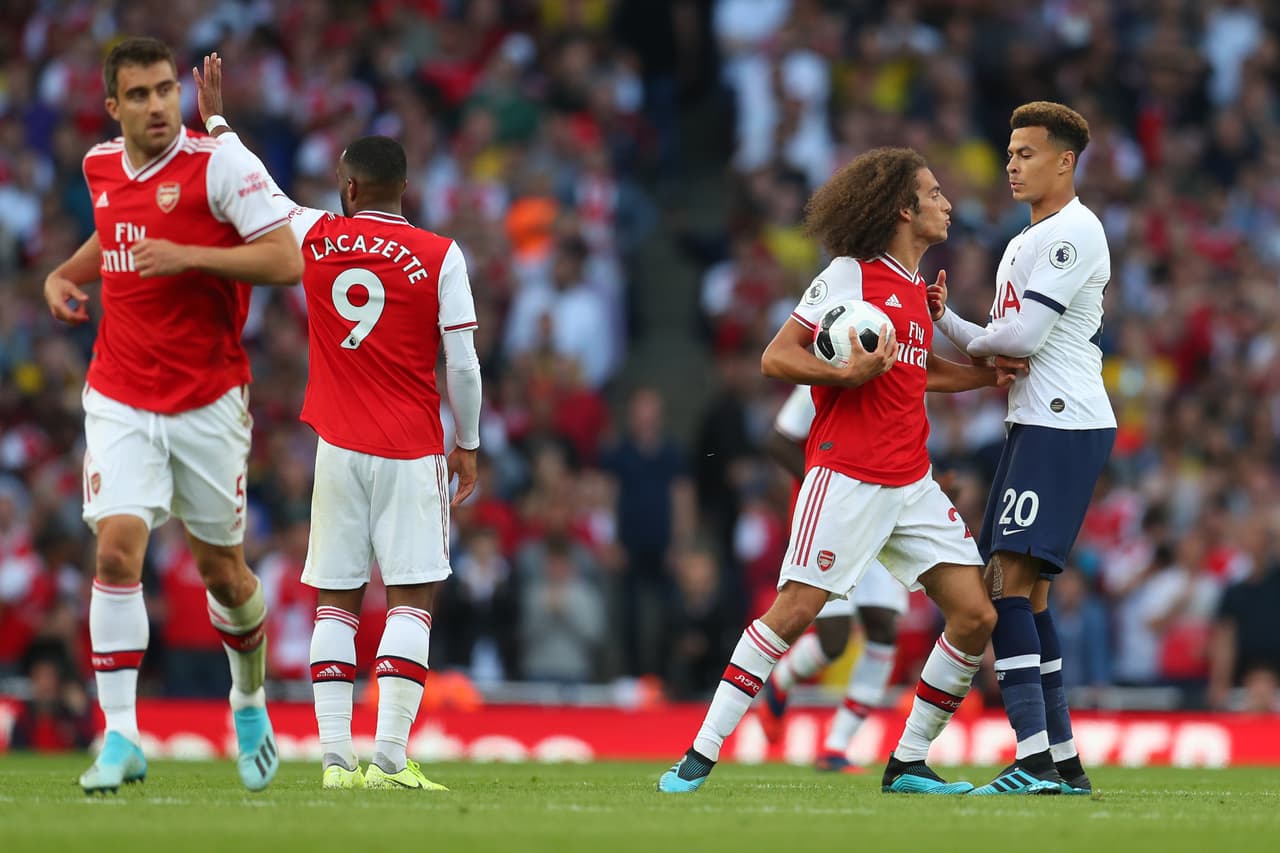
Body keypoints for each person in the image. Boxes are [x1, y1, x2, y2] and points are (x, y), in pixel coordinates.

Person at [657, 147, 1010, 795]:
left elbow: (918, 371)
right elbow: (775, 356)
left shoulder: (911, 289)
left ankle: (906, 761)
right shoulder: (850, 275)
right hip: (845, 474)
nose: (946, 204)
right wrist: (841, 372)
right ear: (904, 209)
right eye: (933, 194)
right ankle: (698, 754)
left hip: (912, 482)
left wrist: (991, 375)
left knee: (975, 615)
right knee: (794, 612)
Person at [195, 54, 481, 790]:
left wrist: (217, 118)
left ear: (350, 187)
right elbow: (465, 366)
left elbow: (251, 178)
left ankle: (331, 759)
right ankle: (388, 758)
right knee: (411, 596)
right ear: (405, 189)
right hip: (413, 446)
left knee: (337, 598)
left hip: (337, 447)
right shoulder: (440, 254)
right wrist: (470, 445)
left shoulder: (316, 232)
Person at [42, 37, 303, 794]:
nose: (159, 105)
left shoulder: (218, 165)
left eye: (167, 90)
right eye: (143, 94)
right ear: (113, 104)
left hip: (208, 400)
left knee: (224, 574)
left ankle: (248, 698)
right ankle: (120, 734)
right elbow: (114, 233)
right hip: (120, 393)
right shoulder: (99, 167)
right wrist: (64, 271)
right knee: (118, 552)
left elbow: (286, 259)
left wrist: (190, 256)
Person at [930, 101, 1116, 795]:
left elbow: (1021, 340)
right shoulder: (1024, 239)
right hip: (1035, 421)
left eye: (1027, 153)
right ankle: (1062, 760)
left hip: (1060, 422)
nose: (1012, 163)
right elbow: (1002, 341)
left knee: (1002, 584)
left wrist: (975, 343)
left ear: (1065, 161)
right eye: (1009, 153)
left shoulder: (1074, 232)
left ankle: (1032, 755)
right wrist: (944, 318)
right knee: (1027, 596)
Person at [754, 384, 910, 773]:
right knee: (834, 640)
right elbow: (778, 440)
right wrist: (834, 488)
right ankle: (780, 681)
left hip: (878, 517)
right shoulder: (826, 372)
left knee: (883, 628)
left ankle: (836, 746)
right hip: (828, 521)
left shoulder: (901, 376)